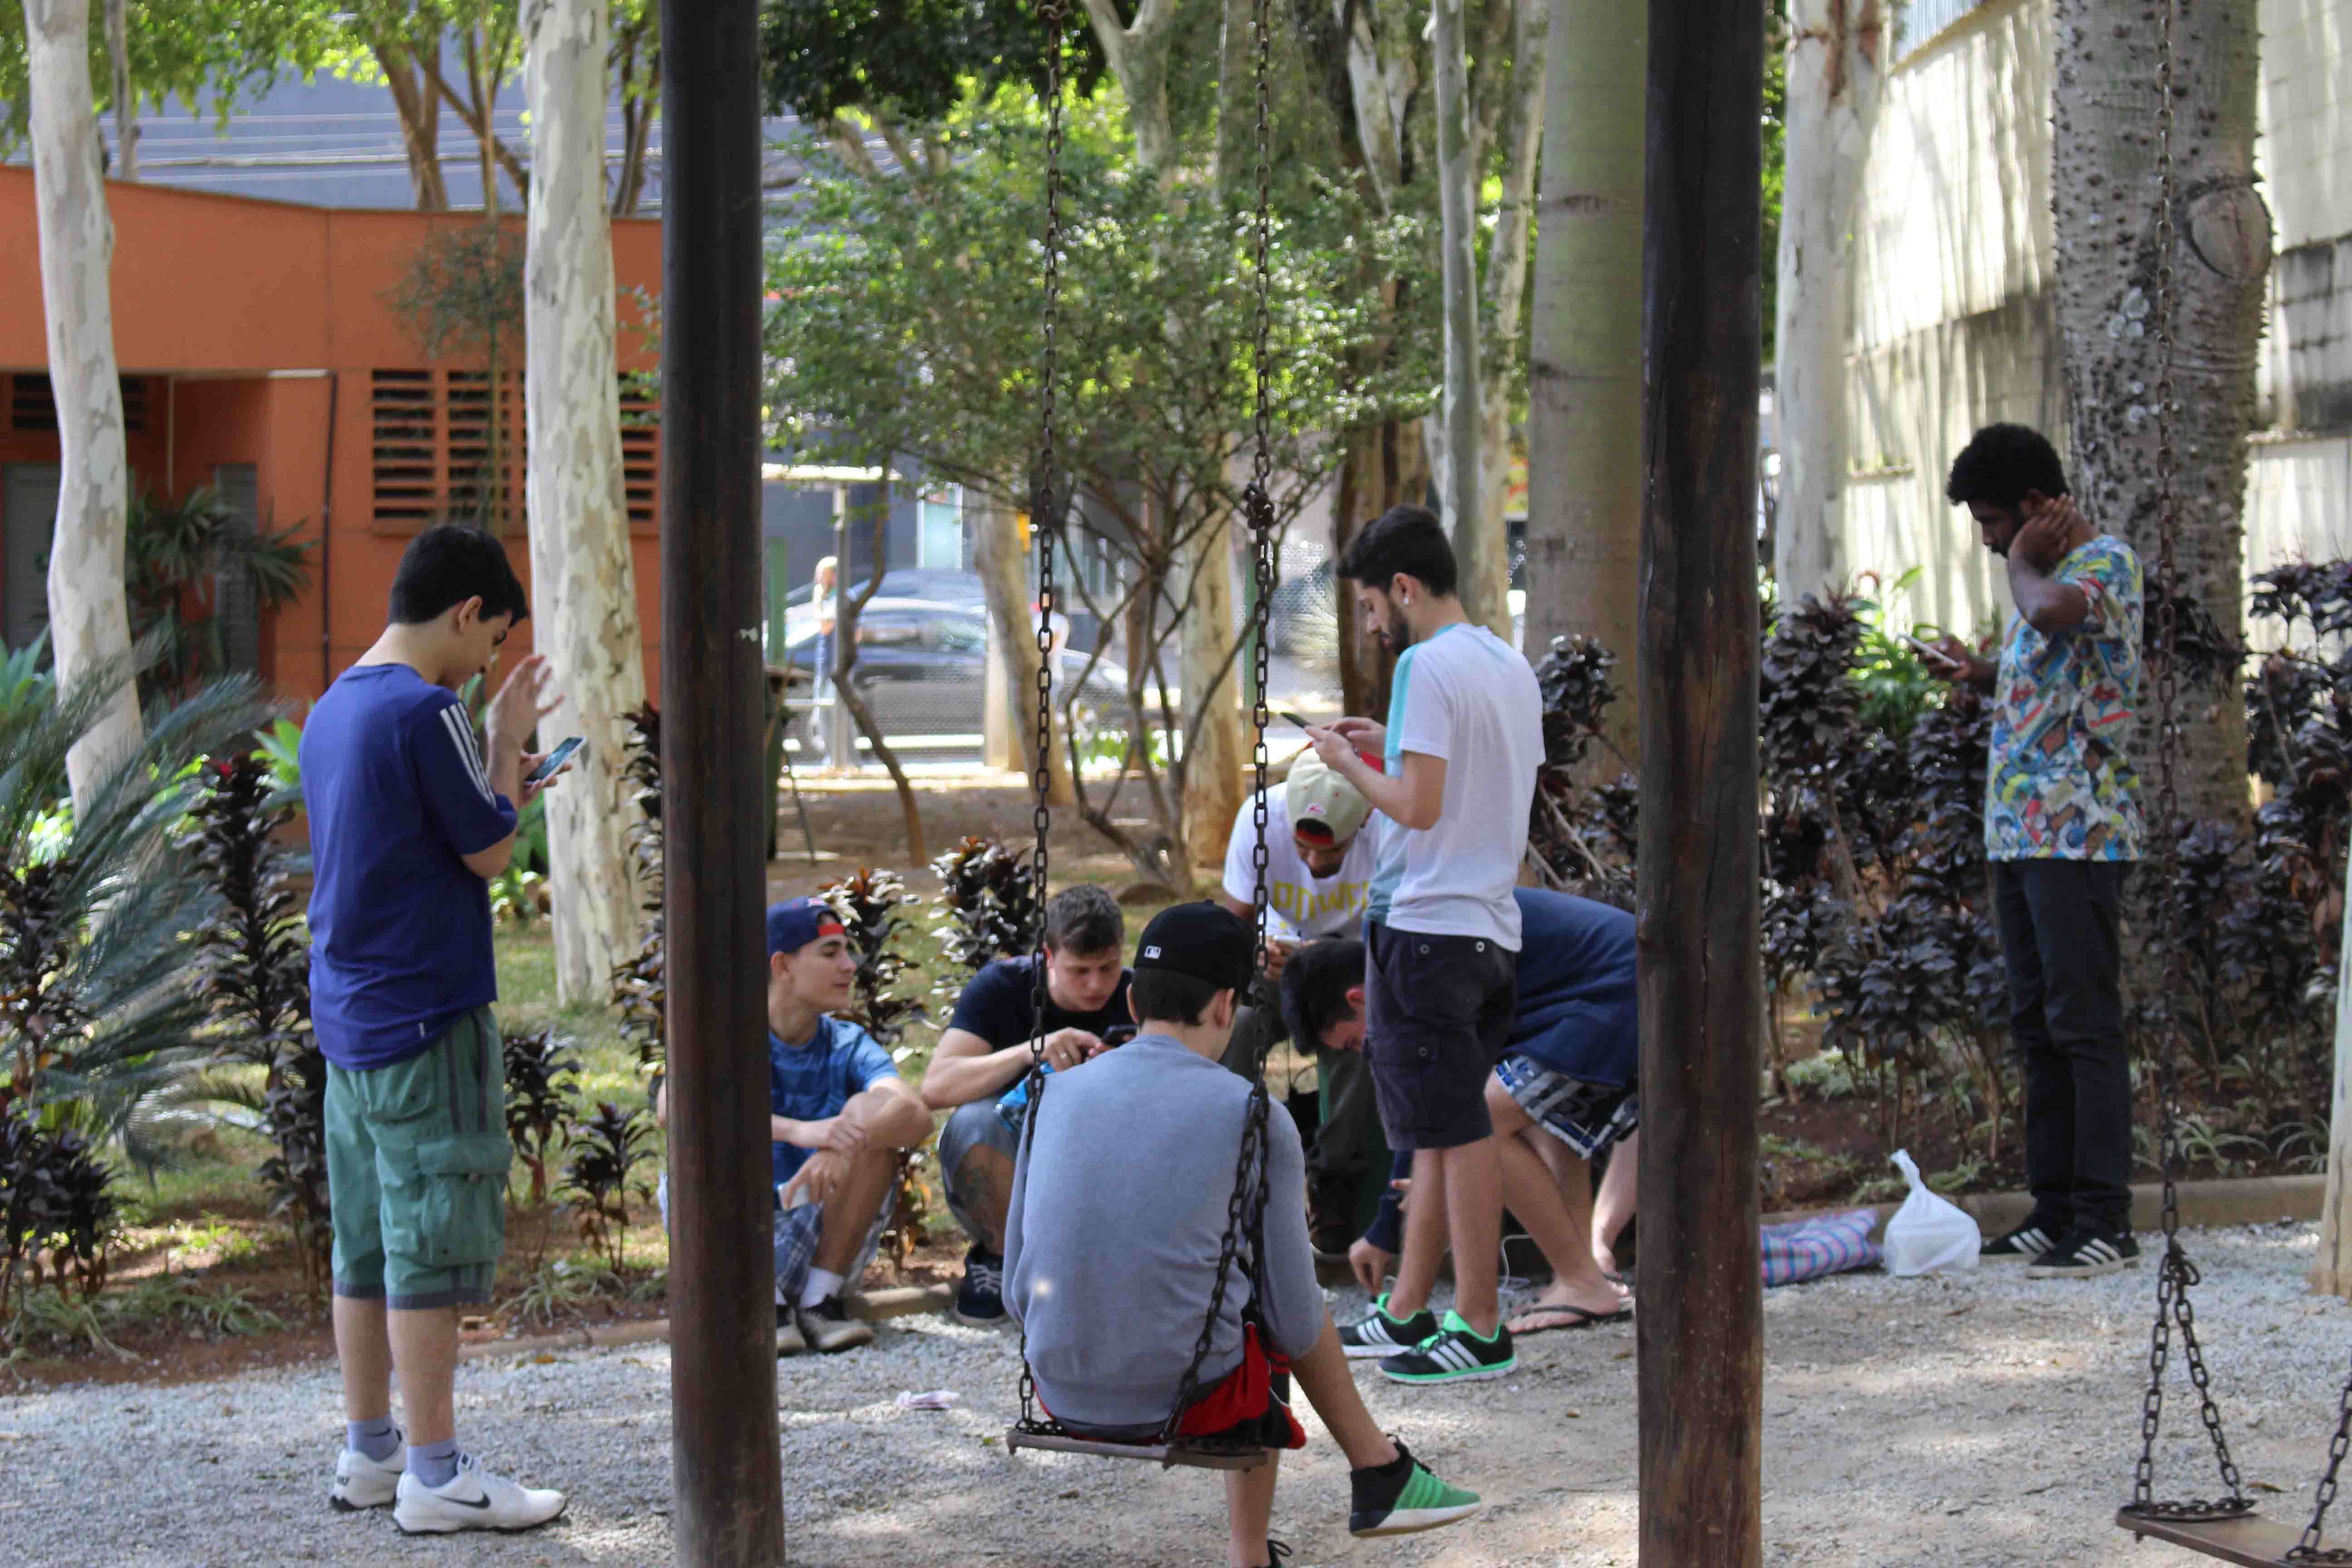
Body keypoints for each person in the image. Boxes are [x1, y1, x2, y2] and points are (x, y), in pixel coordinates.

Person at [1004, 902, 1483, 1568]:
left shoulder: (1049, 1094)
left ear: (1135, 998)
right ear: (1228, 1006)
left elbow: (1012, 1291)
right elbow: (1291, 1316)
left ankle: (1373, 1478)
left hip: (1059, 1384)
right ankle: (1349, 1489)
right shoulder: (1254, 1114)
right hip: (1189, 1400)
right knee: (1271, 1304)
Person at [303, 525, 568, 1534]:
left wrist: (499, 769)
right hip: (428, 1016)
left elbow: (423, 829)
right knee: (426, 1243)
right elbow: (492, 853)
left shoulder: (337, 706)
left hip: (350, 1020)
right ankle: (437, 1475)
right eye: (493, 640)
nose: (491, 661)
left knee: (364, 1242)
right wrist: (503, 737)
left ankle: (369, 1452)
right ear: (466, 614)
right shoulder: (427, 710)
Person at [1303, 504, 1544, 1385]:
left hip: (1425, 929)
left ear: (1403, 589)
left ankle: (1479, 1321)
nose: (1372, 626)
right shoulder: (1506, 663)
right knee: (1442, 1129)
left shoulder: (1422, 665)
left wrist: (1343, 763)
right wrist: (1385, 749)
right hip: (1489, 926)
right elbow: (1470, 779)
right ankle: (1410, 1309)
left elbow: (1415, 807)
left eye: (1372, 607)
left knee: (1459, 1128)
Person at [1925, 422, 2144, 1279]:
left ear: (2030, 509)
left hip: (2077, 837)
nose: (1984, 540)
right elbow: (2049, 662)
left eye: (1990, 522)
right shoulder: (2038, 582)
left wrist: (2022, 563)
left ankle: (2103, 1217)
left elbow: (2051, 613)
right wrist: (1978, 672)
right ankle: (2052, 1207)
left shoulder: (2099, 566)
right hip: (2019, 834)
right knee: (2034, 1024)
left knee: (2083, 1024)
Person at [1284, 887, 1640, 1355]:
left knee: (1481, 1120)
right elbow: (1428, 1110)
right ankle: (1576, 1278)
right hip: (1606, 991)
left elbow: (1442, 1112)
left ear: (1357, 999)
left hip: (1620, 989)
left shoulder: (1411, 971)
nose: (1366, 1053)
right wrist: (1385, 1226)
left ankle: (1582, 1282)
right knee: (1522, 1116)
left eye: (1354, 1043)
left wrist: (1386, 1229)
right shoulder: (1403, 957)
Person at [652, 898, 932, 1354]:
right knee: (702, 1141)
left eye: (848, 951)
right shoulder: (723, 1036)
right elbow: (672, 1111)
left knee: (874, 1121)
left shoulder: (846, 1041)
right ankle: (763, 1304)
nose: (849, 966)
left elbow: (914, 1113)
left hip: (823, 1235)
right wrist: (801, 1132)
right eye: (830, 954)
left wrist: (844, 1143)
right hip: (732, 1238)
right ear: (782, 966)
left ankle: (820, 1305)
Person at [921, 884, 1133, 1326]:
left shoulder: (1137, 997)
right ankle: (997, 1257)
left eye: (1107, 968)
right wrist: (1029, 1051)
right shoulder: (1001, 988)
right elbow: (936, 1086)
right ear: (1048, 957)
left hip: (1102, 1168)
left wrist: (1130, 1069)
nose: (1096, 985)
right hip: (1014, 1159)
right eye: (1080, 971)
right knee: (973, 1124)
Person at [1215, 752, 1392, 1253]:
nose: (1314, 865)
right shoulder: (1260, 817)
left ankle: (1334, 1180)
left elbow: (1402, 933)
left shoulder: (1389, 827)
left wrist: (1334, 956)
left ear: (1360, 824)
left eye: (1330, 854)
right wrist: (1260, 950)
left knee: (1360, 1045)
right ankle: (1229, 1165)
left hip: (1361, 965)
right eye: (1303, 850)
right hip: (1278, 963)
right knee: (1239, 1024)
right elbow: (1236, 923)